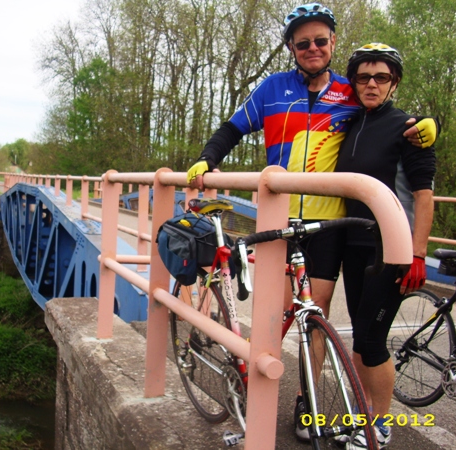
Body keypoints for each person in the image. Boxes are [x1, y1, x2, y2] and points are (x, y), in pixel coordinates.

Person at [185, 2, 439, 442]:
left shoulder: (350, 92)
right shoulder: (272, 88)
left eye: (321, 41)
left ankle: (308, 404)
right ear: (291, 48)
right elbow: (231, 129)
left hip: (326, 228)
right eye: (303, 43)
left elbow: (391, 122)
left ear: (333, 43)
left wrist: (425, 127)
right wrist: (207, 160)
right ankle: (252, 387)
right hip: (276, 218)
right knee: (273, 320)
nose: (313, 48)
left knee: (312, 316)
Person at [333, 43, 436, 449]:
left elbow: (424, 196)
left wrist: (418, 253)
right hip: (355, 244)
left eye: (381, 77)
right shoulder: (352, 123)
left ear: (394, 83)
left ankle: (380, 425)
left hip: (390, 249)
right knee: (360, 335)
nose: (371, 84)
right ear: (354, 82)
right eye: (363, 77)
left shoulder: (408, 129)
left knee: (373, 340)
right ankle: (362, 416)